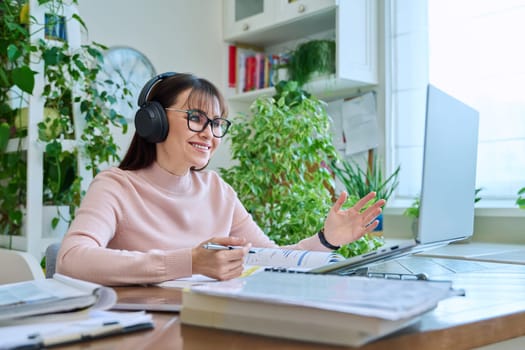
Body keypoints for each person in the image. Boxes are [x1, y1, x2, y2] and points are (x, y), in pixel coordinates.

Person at [56, 72, 385, 286]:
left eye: (216, 123)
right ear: (152, 121)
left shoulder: (217, 190)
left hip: (204, 321)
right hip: (141, 328)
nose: (209, 134)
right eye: (196, 118)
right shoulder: (116, 186)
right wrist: (190, 262)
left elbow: (269, 257)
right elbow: (70, 258)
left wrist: (326, 240)